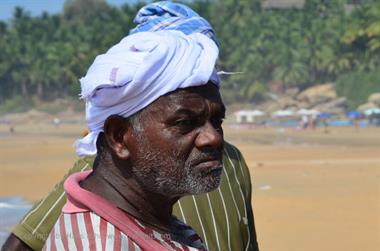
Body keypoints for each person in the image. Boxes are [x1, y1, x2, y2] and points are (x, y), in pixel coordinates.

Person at [2, 2, 259, 251]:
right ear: (119, 137)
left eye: (217, 121)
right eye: (184, 123)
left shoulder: (218, 170)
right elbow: (27, 240)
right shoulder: (99, 200)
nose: (212, 138)